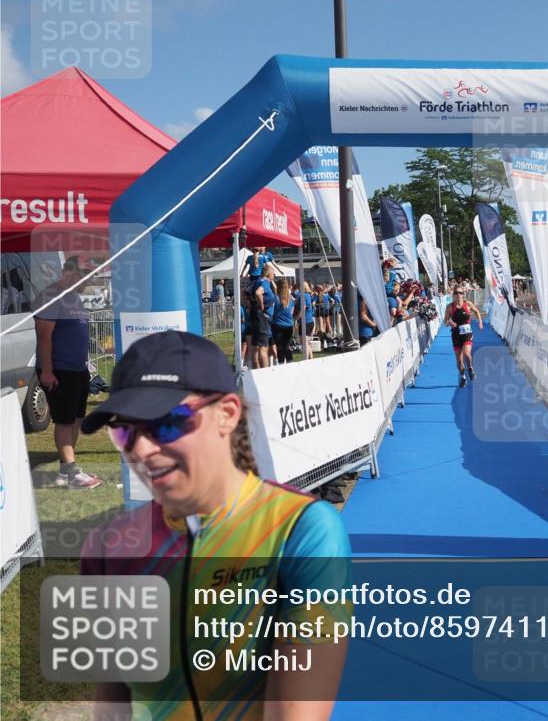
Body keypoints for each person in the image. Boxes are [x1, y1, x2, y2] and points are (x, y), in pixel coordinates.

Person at [80, 331, 350, 720]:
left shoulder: (303, 530)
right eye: (124, 431)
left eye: (165, 423)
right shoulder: (108, 546)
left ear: (226, 414)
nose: (139, 450)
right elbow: (112, 702)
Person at [33, 257, 102, 489]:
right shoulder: (51, 296)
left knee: (76, 419)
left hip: (77, 370)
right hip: (58, 370)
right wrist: (48, 371)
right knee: (64, 421)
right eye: (86, 274)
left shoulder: (74, 299)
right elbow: (44, 336)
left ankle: (66, 470)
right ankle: (72, 472)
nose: (89, 279)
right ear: (69, 272)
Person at [444, 287, 483, 387]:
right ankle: (462, 376)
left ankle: (470, 368)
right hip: (456, 334)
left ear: (463, 294)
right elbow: (445, 321)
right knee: (459, 359)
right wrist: (450, 322)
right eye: (456, 293)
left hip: (467, 332)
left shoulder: (468, 304)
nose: (458, 295)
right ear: (454, 295)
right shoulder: (449, 307)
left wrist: (480, 322)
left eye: (461, 293)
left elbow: (477, 312)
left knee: (467, 354)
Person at [250, 267, 277, 368]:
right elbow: (258, 292)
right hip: (262, 317)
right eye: (273, 273)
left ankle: (255, 370)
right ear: (269, 274)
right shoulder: (265, 282)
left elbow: (246, 293)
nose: (274, 275)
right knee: (263, 347)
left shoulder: (257, 281)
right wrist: (261, 306)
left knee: (255, 345)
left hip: (256, 316)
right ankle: (264, 372)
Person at [271, 278, 296, 364]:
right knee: (286, 346)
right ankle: (290, 362)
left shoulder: (276, 298)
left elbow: (272, 312)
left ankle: (282, 363)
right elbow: (292, 312)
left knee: (280, 347)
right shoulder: (291, 299)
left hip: (277, 325)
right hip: (289, 325)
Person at [294, 281, 316, 359]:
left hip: (305, 322)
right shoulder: (308, 295)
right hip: (310, 321)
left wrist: (296, 318)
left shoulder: (302, 296)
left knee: (304, 343)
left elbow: (303, 308)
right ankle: (311, 359)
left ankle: (306, 360)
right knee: (307, 343)